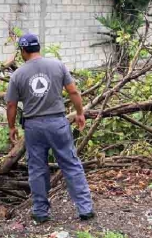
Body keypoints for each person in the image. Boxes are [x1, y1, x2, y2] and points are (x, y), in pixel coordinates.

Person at [6, 33, 95, 223]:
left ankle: (40, 212)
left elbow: (11, 105)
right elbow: (73, 91)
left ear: (23, 50)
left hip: (33, 127)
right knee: (71, 165)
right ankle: (85, 209)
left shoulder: (18, 75)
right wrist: (80, 113)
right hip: (58, 123)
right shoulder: (57, 66)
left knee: (37, 169)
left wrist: (12, 127)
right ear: (38, 47)